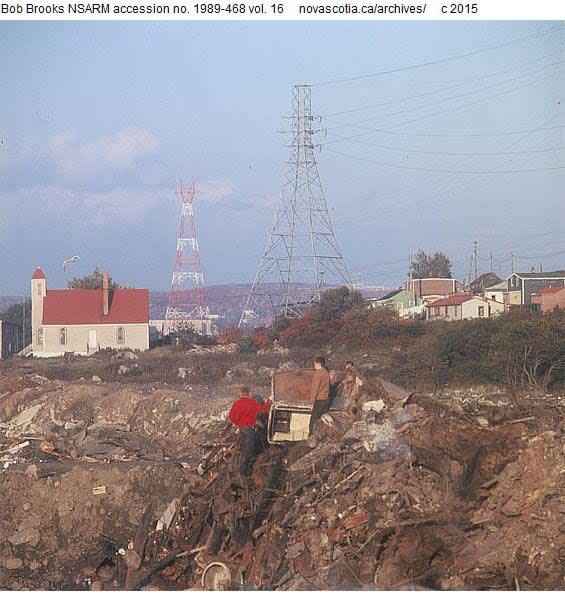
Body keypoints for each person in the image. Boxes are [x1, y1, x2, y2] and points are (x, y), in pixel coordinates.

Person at [228, 386, 271, 477]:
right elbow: (264, 410)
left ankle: (241, 469)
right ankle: (243, 472)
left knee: (244, 448)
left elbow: (231, 416)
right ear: (248, 392)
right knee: (248, 450)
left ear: (241, 392)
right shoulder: (252, 403)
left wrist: (238, 423)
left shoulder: (237, 403)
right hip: (249, 428)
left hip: (242, 428)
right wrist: (269, 401)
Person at [309, 356, 331, 435]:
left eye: (314, 364)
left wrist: (311, 402)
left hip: (318, 400)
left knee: (313, 421)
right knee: (322, 420)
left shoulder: (318, 374)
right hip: (325, 399)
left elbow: (315, 388)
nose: (314, 366)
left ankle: (311, 437)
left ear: (318, 364)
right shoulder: (326, 373)